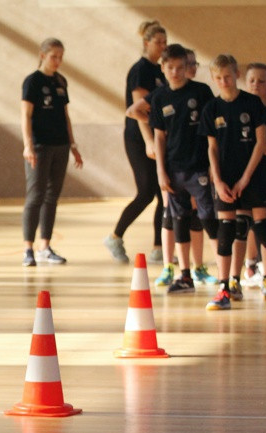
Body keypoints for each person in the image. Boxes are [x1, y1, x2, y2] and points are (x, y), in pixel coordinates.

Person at [145, 44, 218, 294]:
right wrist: (160, 171)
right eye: (170, 68)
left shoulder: (201, 92)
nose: (175, 72)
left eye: (180, 67)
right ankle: (185, 275)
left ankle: (227, 276)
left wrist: (212, 166)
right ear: (163, 68)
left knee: (208, 219)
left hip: (199, 168)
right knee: (179, 220)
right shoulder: (159, 97)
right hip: (173, 170)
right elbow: (159, 136)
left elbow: (213, 134)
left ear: (188, 68)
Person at [199, 54, 266, 310]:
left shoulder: (252, 103)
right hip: (226, 180)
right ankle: (224, 288)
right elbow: (212, 149)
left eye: (227, 76)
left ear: (236, 75)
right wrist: (218, 181)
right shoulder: (211, 109)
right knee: (226, 230)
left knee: (262, 228)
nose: (223, 81)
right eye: (218, 78)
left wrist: (245, 179)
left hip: (253, 175)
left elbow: (261, 143)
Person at [104, 20, 167, 264]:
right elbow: (138, 110)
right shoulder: (141, 70)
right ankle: (115, 236)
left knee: (163, 193)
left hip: (157, 137)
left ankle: (159, 248)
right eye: (158, 42)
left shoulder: (160, 70)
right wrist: (149, 141)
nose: (162, 46)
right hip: (138, 138)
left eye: (164, 42)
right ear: (146, 43)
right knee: (146, 192)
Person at [20, 37, 83, 267]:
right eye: (54, 56)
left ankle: (44, 246)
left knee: (51, 197)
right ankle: (28, 249)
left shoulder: (61, 81)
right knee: (35, 196)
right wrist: (28, 145)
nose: (57, 61)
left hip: (61, 146)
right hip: (39, 146)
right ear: (42, 55)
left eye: (60, 57)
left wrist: (73, 145)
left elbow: (65, 116)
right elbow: (25, 115)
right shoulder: (32, 81)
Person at [235, 63, 266, 301]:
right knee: (243, 221)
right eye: (251, 80)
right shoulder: (241, 109)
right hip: (243, 172)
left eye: (261, 80)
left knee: (265, 223)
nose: (256, 84)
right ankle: (248, 266)